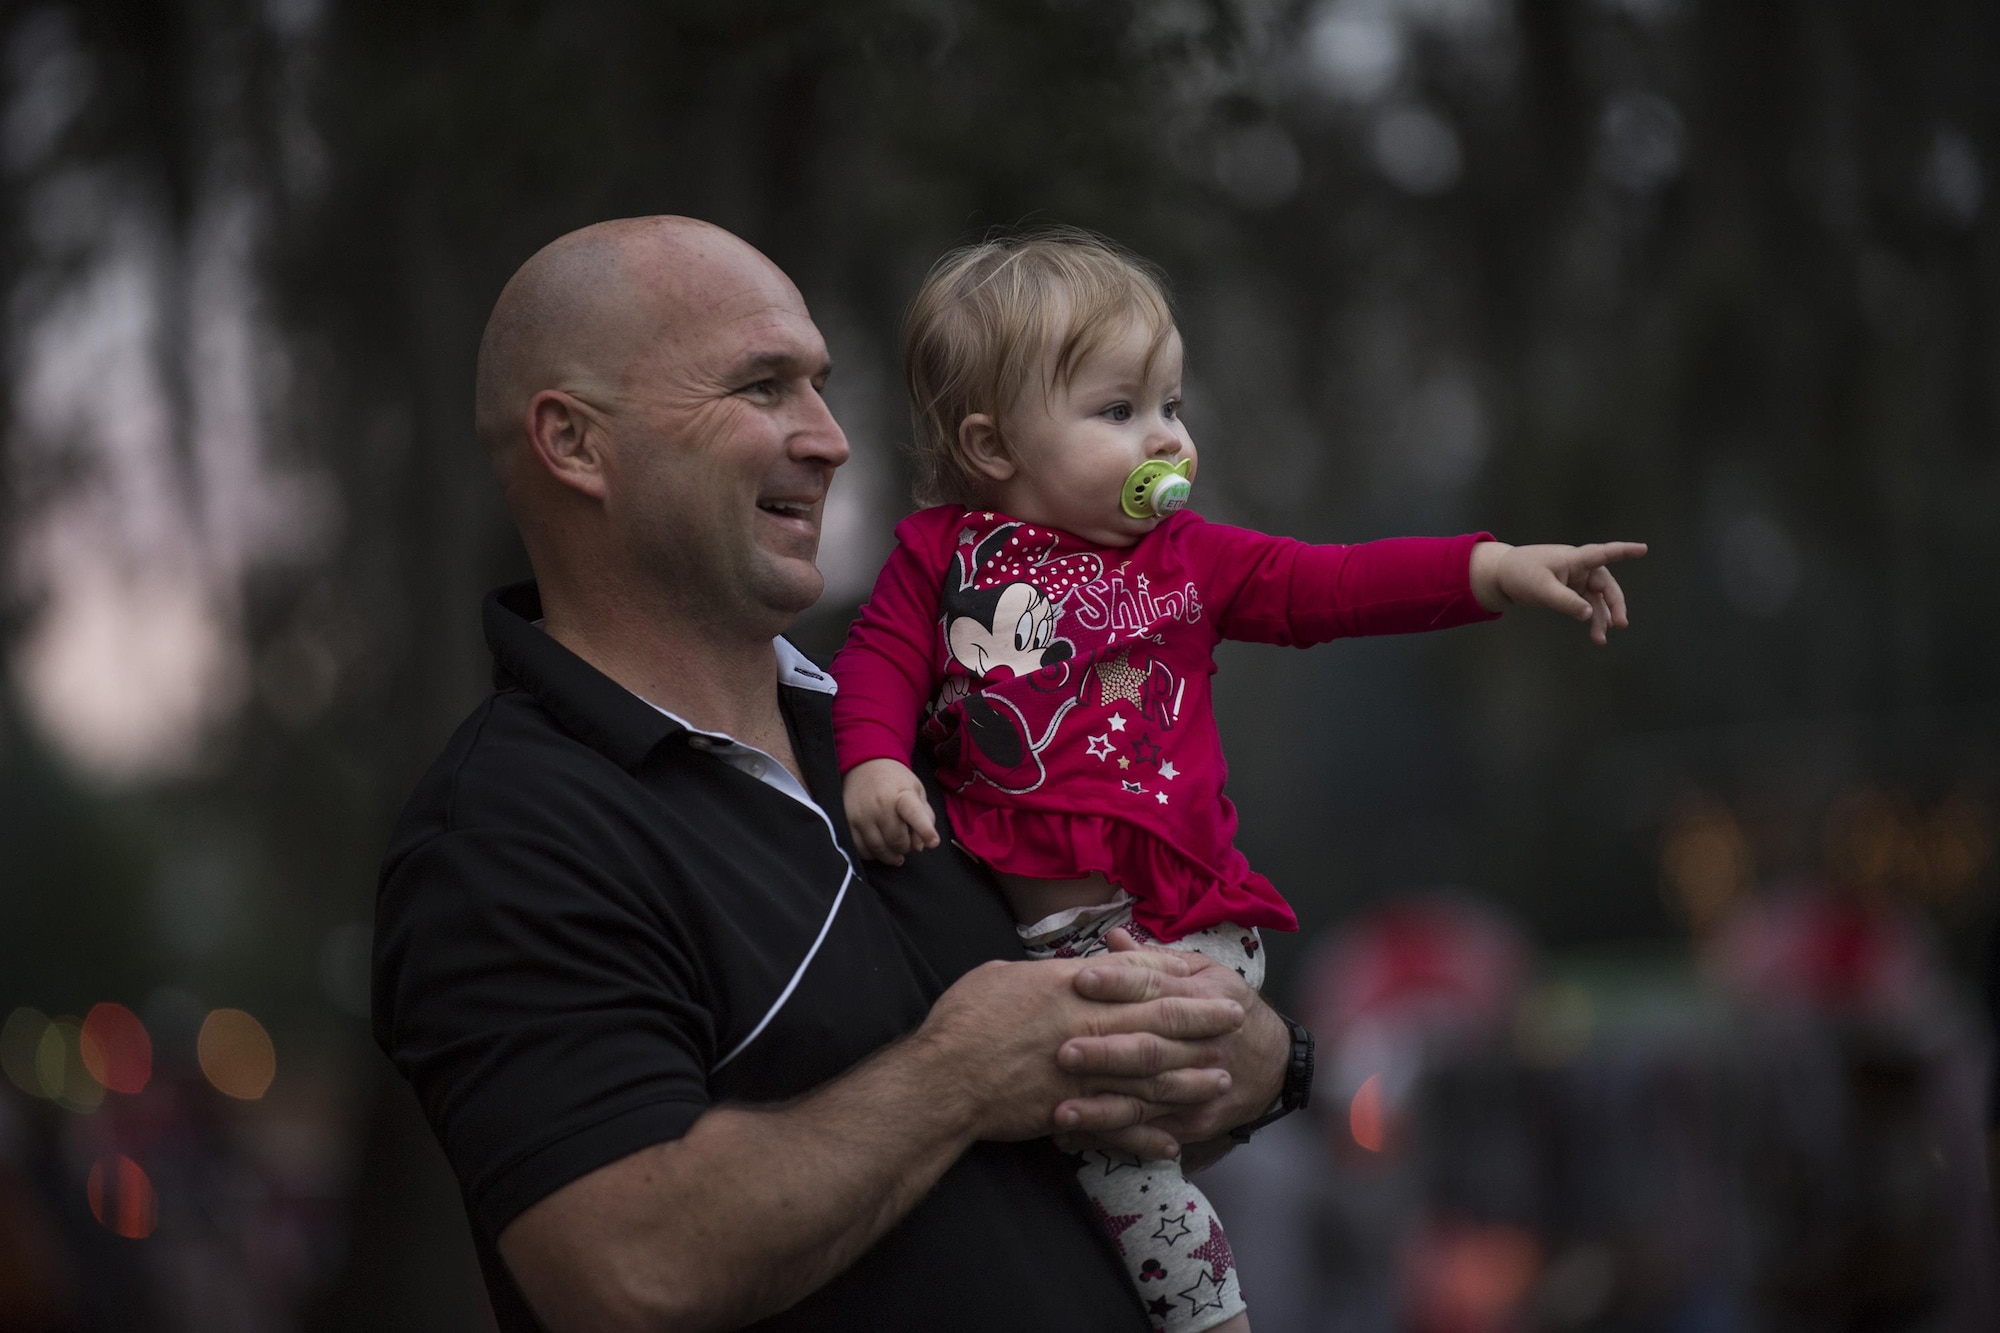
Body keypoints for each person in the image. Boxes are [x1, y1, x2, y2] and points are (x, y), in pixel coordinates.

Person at [371, 215, 1310, 1333]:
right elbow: (626, 1271)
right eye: (762, 388)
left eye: (820, 386)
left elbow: (1097, 1092)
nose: (828, 438)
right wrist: (955, 1077)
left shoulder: (933, 722)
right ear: (574, 444)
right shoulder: (505, 834)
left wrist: (1256, 1062)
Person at [830, 229, 1646, 1332]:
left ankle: (1213, 1316)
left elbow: (1336, 585)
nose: (1166, 435)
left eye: (1170, 404)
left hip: (1181, 930)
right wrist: (876, 760)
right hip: (1045, 950)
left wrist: (1490, 570)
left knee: (1113, 1159)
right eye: (1118, 411)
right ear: (991, 442)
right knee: (1068, 1136)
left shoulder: (1187, 560)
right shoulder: (939, 559)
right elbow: (873, 660)